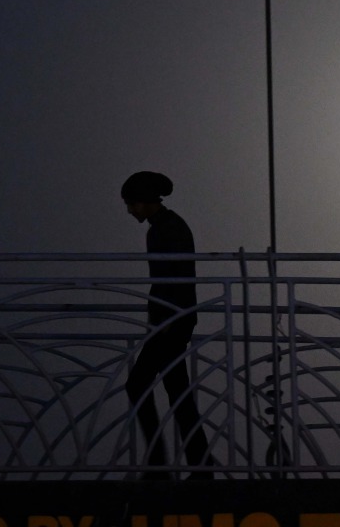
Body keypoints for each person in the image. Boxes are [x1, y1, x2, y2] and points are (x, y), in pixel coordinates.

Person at [120, 171, 214, 480]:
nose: (130, 211)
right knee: (177, 391)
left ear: (145, 201)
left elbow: (177, 276)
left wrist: (170, 319)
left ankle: (159, 465)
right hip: (171, 319)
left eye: (131, 204)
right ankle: (200, 465)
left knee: (138, 384)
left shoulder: (168, 228)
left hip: (172, 320)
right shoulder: (164, 226)